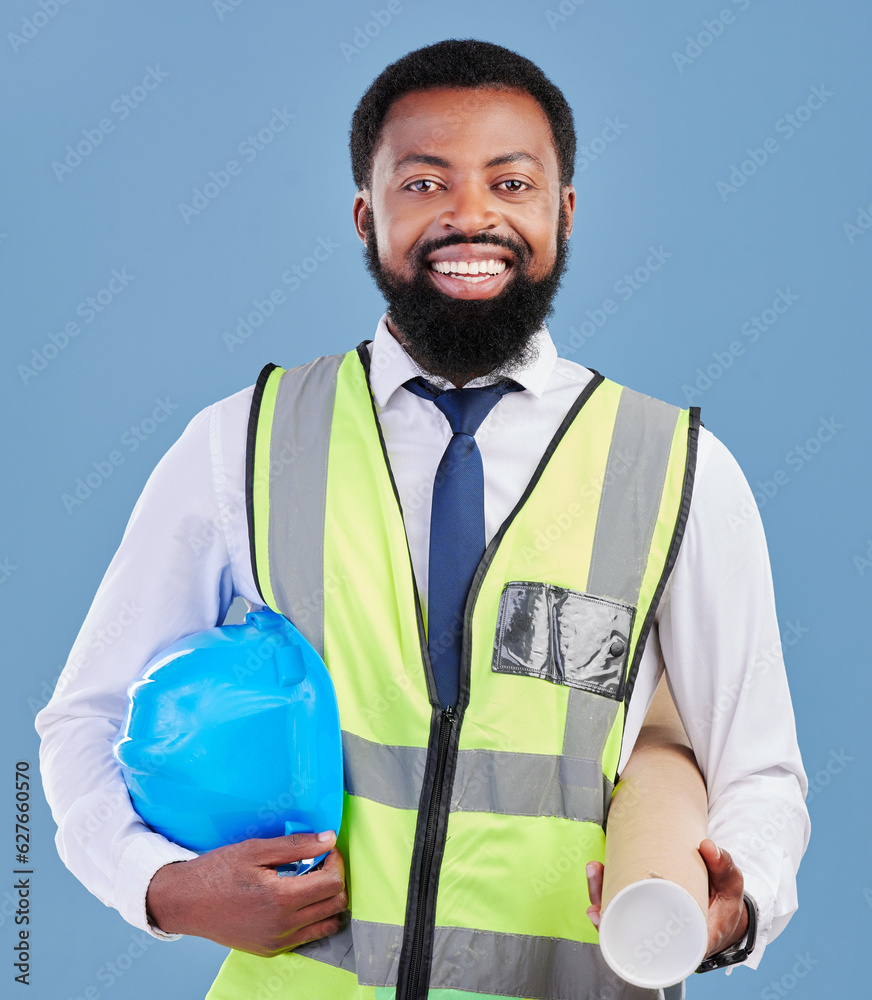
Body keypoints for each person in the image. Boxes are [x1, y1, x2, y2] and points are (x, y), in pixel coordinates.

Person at [36, 39, 809, 1000]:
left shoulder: (680, 469)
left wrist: (736, 904)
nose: (471, 215)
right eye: (425, 183)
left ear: (562, 214)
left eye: (512, 182)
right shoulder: (242, 440)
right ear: (368, 216)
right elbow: (84, 720)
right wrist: (158, 888)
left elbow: (760, 773)